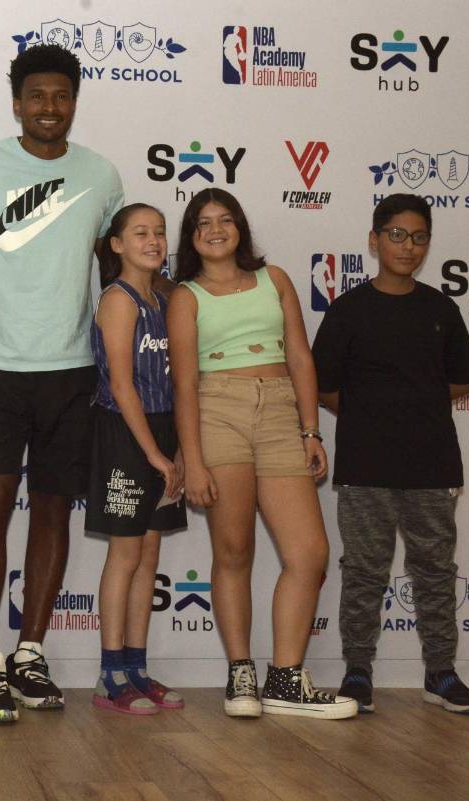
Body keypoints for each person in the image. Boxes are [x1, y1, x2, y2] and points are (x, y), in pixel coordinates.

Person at [0, 43, 125, 722]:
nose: (49, 107)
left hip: (71, 369)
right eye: (36, 95)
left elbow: (117, 267)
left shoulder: (101, 176)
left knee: (52, 509)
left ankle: (29, 654)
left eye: (61, 96)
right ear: (16, 103)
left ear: (74, 102)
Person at [166, 188, 356, 720]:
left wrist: (311, 431)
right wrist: (193, 460)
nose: (216, 230)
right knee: (234, 551)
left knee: (309, 552)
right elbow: (184, 384)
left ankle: (286, 679)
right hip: (217, 410)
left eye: (225, 220)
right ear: (192, 237)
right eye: (204, 223)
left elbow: (299, 358)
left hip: (278, 413)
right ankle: (241, 673)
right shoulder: (185, 297)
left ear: (241, 229)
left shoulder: (276, 279)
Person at [311, 193, 469, 714]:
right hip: (365, 465)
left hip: (432, 464)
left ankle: (441, 672)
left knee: (434, 570)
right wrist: (373, 411)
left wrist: (415, 402)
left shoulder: (441, 309)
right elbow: (323, 386)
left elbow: (462, 379)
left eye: (419, 237)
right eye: (397, 235)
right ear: (374, 240)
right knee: (365, 571)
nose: (408, 246)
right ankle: (358, 673)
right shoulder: (347, 310)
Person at [86, 203, 188, 715]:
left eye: (160, 232)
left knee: (149, 553)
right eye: (140, 233)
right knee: (125, 554)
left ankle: (137, 668)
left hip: (163, 430)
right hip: (125, 434)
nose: (153, 241)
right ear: (117, 245)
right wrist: (153, 454)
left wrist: (178, 449)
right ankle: (110, 674)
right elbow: (122, 385)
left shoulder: (164, 299)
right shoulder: (118, 299)